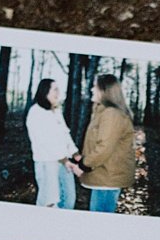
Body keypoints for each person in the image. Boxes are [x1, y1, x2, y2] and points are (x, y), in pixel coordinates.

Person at [72, 74, 137, 213]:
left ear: (104, 91)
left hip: (108, 177)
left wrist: (83, 165)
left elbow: (104, 148)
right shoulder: (102, 112)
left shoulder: (111, 114)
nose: (91, 89)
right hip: (104, 175)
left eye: (95, 86)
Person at [23, 77, 79, 209]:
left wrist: (76, 153)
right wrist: (65, 161)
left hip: (64, 162)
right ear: (45, 91)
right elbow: (45, 143)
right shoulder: (35, 112)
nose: (58, 93)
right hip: (47, 163)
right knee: (49, 202)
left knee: (69, 199)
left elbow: (65, 134)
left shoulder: (56, 110)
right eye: (55, 89)